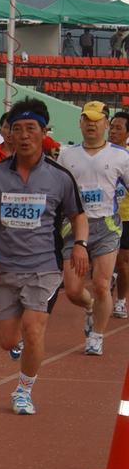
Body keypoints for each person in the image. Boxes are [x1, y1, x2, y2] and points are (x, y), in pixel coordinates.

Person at [0, 98, 88, 414]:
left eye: (30, 129)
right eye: (16, 129)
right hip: (3, 268)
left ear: (44, 132)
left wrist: (79, 244)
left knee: (34, 329)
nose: (22, 135)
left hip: (43, 267)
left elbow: (77, 215)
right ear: (8, 134)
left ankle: (23, 390)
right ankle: (16, 346)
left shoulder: (60, 177)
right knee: (8, 340)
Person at [57, 101, 129, 356]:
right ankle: (89, 307)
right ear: (80, 123)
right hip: (75, 225)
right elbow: (59, 191)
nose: (91, 124)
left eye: (97, 120)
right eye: (86, 119)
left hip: (107, 225)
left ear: (106, 124)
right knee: (74, 290)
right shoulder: (67, 155)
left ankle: (97, 336)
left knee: (101, 284)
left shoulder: (120, 156)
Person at [109, 111, 129, 319]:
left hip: (126, 215)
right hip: (103, 216)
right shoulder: (100, 153)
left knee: (123, 262)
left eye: (118, 128)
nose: (113, 132)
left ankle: (121, 300)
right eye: (111, 127)